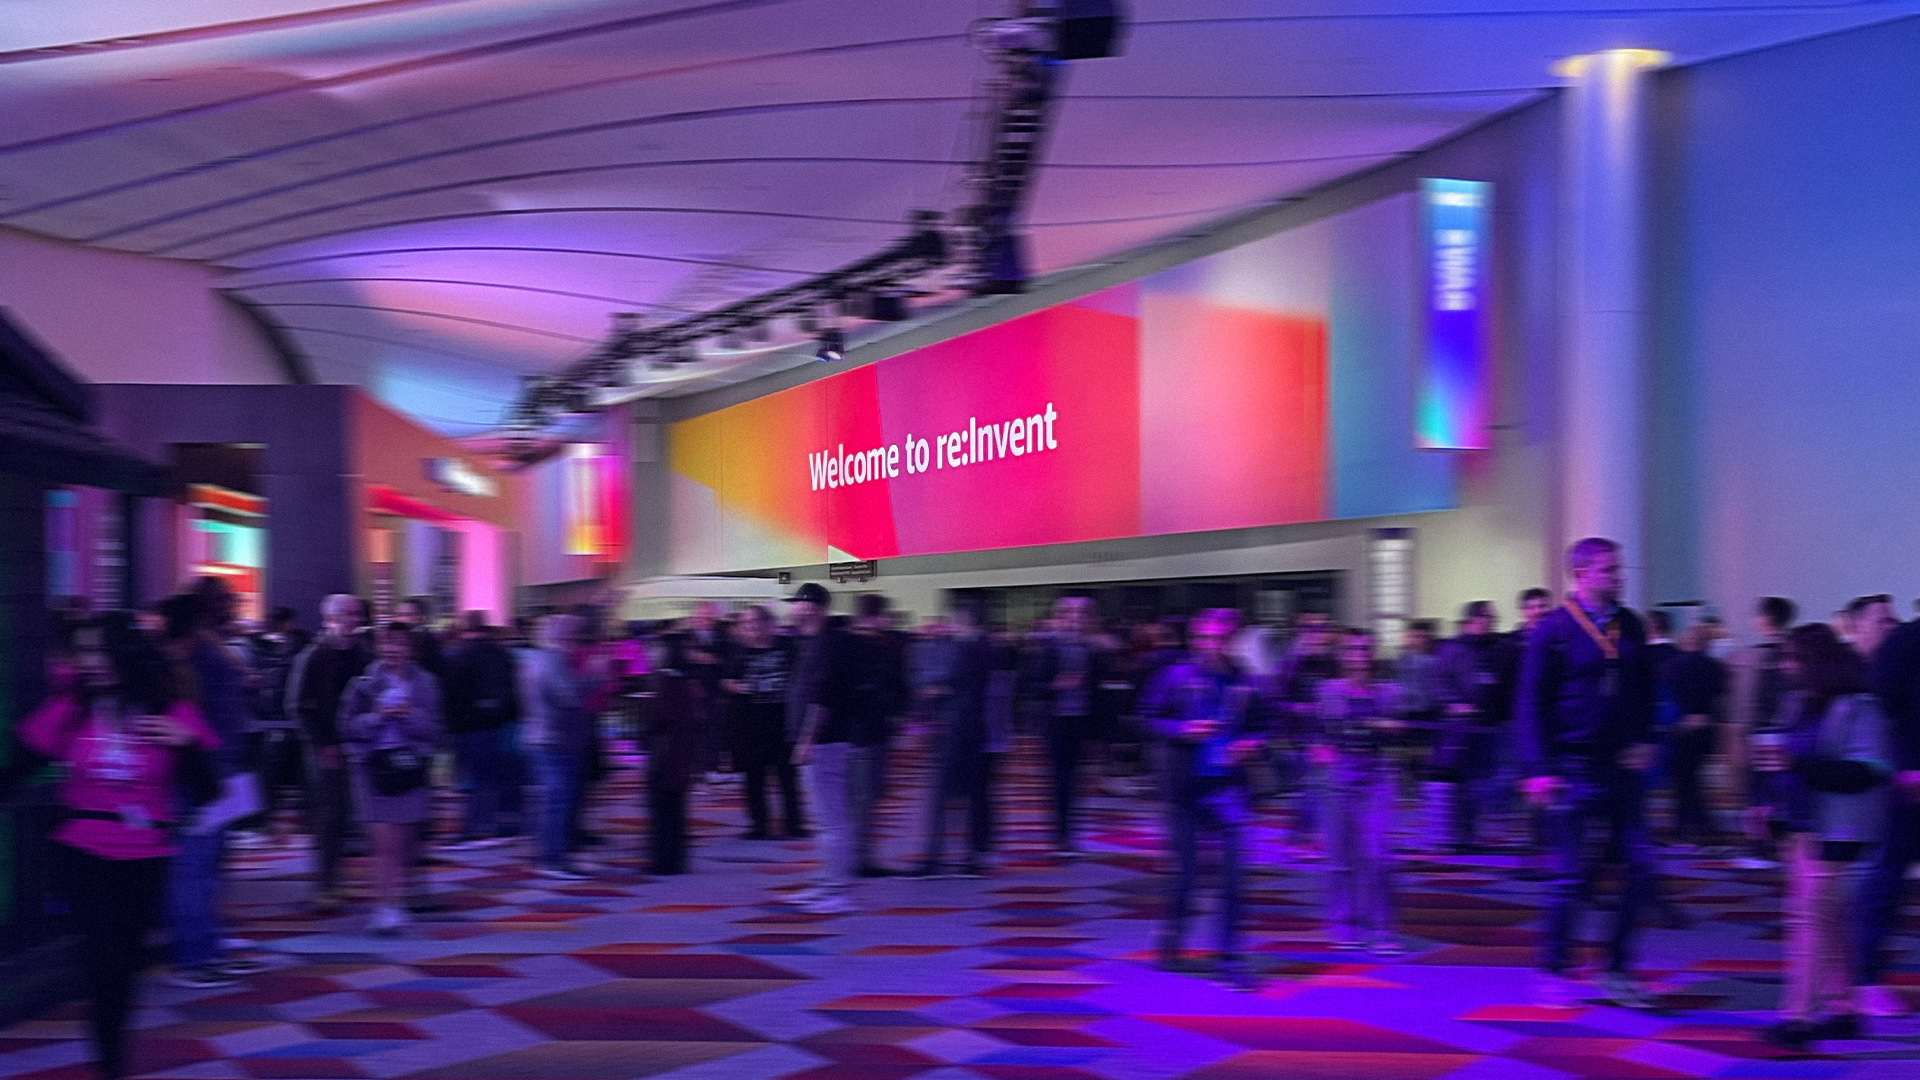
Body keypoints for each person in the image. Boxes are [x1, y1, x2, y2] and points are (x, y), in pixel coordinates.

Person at [21, 638, 217, 1079]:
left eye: (101, 651)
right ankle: (110, 1062)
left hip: (145, 854)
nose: (91, 662)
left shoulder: (167, 713)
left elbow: (209, 793)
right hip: (82, 850)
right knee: (100, 960)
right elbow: (18, 768)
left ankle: (111, 1051)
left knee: (121, 963)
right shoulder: (72, 709)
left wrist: (188, 746)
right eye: (85, 652)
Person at [1517, 537, 1661, 1009]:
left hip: (1623, 769)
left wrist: (1645, 739)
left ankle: (1616, 969)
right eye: (1609, 569)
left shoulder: (1631, 625)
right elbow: (1531, 703)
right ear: (1581, 575)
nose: (1619, 576)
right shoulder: (1553, 630)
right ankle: (1553, 968)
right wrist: (1538, 768)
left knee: (1641, 867)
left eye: (1619, 568)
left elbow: (1646, 693)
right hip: (1571, 767)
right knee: (1572, 875)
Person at [1751, 624, 1892, 1050]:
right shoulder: (1798, 702)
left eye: (1794, 659)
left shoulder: (1859, 707)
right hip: (1805, 824)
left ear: (1817, 662)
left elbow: (1868, 772)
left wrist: (1797, 765)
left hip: (1842, 826)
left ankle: (1797, 1017)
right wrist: (1768, 806)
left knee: (1811, 919)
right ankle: (1844, 1009)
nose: (1786, 667)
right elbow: (1783, 761)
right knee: (1827, 921)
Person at [1142, 609, 1267, 991]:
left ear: (1232, 640)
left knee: (1232, 879)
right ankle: (1172, 941)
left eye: (1221, 639)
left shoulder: (1244, 679)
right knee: (1187, 876)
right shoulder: (1176, 676)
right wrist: (1183, 729)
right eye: (1206, 639)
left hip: (1228, 788)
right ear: (1196, 640)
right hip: (1185, 789)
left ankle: (1230, 957)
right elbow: (1146, 717)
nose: (1213, 646)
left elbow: (1266, 724)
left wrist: (1251, 743)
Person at [163, 585, 263, 988]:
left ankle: (207, 946)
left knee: (205, 868)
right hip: (203, 772)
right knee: (194, 867)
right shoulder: (195, 655)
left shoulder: (207, 650)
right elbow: (194, 716)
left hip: (215, 770)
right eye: (226, 602)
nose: (232, 607)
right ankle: (194, 956)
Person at [339, 623, 443, 934]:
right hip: (375, 769)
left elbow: (435, 731)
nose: (392, 650)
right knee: (383, 843)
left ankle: (395, 901)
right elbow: (347, 727)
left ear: (410, 649)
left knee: (403, 844)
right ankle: (383, 907)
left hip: (410, 768)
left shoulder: (425, 684)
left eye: (399, 644)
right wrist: (377, 717)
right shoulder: (363, 684)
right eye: (387, 644)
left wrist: (410, 715)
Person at [1314, 628, 1409, 955]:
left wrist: (1394, 729)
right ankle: (1344, 923)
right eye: (1353, 650)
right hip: (1339, 776)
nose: (1360, 656)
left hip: (1376, 776)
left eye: (1366, 650)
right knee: (1341, 857)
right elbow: (1315, 733)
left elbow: (1401, 733)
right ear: (1343, 656)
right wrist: (1319, 749)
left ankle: (1381, 928)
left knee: (1378, 855)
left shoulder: (1389, 693)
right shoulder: (1327, 691)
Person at [285, 593, 373, 913]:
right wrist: (322, 745)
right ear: (330, 619)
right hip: (326, 748)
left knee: (346, 814)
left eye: (356, 615)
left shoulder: (361, 654)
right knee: (329, 816)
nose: (354, 621)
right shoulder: (314, 656)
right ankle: (324, 882)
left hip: (357, 745)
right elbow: (297, 707)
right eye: (347, 615)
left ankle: (335, 877)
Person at [1855, 602, 1920, 1019]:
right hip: (1911, 782)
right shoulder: (1907, 641)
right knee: (1887, 877)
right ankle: (1865, 978)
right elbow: (1883, 709)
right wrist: (1907, 765)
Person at [784, 582, 861, 914]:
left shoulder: (826, 644)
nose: (792, 610)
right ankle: (826, 882)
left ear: (810, 607)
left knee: (831, 819)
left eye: (797, 605)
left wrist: (806, 740)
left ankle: (835, 890)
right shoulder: (816, 642)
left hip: (824, 742)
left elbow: (822, 699)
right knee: (826, 819)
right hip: (825, 741)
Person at [915, 597, 1000, 878]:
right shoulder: (988, 647)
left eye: (952, 621)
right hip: (976, 728)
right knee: (972, 794)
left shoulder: (964, 649)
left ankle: (934, 857)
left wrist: (929, 692)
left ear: (964, 620)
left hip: (955, 727)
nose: (948, 627)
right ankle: (969, 857)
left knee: (941, 794)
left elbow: (945, 685)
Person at [1432, 601, 1518, 852]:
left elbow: (1507, 684)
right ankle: (1458, 835)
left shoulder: (1499, 648)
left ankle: (1470, 833)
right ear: (1474, 620)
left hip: (1490, 726)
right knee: (1462, 783)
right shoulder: (1452, 648)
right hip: (1460, 730)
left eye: (1493, 619)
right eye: (1488, 619)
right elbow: (1439, 682)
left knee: (1482, 781)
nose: (1492, 623)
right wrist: (1454, 704)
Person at [519, 614, 597, 881]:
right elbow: (568, 696)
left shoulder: (537, 660)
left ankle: (553, 856)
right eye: (573, 636)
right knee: (557, 802)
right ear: (562, 637)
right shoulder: (552, 661)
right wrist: (594, 675)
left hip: (546, 738)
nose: (576, 642)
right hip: (553, 740)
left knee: (554, 802)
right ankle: (553, 860)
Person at [1032, 596, 1108, 857]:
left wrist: (1099, 735)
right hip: (1056, 722)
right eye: (1071, 614)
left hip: (1081, 721)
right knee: (1059, 780)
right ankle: (1061, 836)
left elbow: (1100, 693)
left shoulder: (1093, 650)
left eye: (1081, 614)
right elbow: (1031, 687)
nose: (1076, 619)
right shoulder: (1049, 648)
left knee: (1076, 781)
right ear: (1063, 617)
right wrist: (1056, 685)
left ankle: (1070, 834)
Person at [724, 605, 805, 840]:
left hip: (782, 720)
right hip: (750, 723)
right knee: (754, 777)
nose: (750, 627)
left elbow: (801, 676)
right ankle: (760, 824)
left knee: (788, 777)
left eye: (754, 622)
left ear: (767, 623)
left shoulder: (787, 647)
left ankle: (794, 823)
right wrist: (739, 687)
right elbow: (725, 681)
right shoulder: (738, 651)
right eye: (746, 623)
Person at [1730, 596, 1798, 870]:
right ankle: (1782, 845)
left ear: (1765, 619)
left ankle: (1760, 845)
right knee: (1780, 791)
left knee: (1757, 792)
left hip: (1759, 734)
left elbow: (1744, 703)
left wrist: (1738, 737)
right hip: (1787, 733)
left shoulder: (1750, 657)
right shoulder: (1795, 651)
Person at [441, 613, 519, 847]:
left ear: (465, 628)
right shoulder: (501, 654)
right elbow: (514, 691)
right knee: (494, 776)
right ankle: (501, 823)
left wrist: (451, 728)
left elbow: (451, 695)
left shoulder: (460, 656)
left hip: (468, 727)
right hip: (499, 725)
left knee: (474, 780)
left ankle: (473, 827)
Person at [643, 632, 706, 874]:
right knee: (675, 808)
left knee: (663, 808)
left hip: (665, 754)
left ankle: (664, 861)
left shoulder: (664, 682)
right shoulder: (685, 682)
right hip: (680, 754)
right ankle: (675, 859)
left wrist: (647, 706)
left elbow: (655, 720)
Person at [1665, 622, 1728, 847]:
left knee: (1683, 779)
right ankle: (1701, 824)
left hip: (1681, 728)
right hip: (1707, 728)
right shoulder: (1717, 667)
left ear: (1687, 640)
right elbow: (1722, 699)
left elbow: (1667, 698)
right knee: (1691, 777)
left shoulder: (1674, 666)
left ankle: (1687, 828)